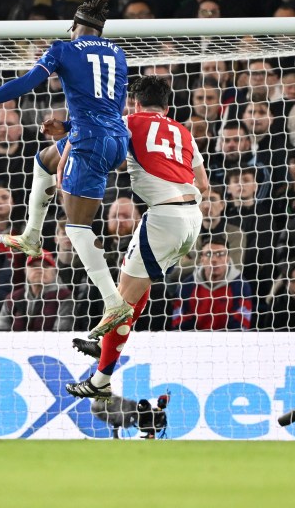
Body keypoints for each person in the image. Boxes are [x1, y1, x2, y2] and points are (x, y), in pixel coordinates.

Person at [0, 0, 133, 339]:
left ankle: (114, 302)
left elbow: (25, 83)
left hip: (89, 143)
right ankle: (32, 236)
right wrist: (66, 128)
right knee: (44, 160)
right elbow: (109, 109)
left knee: (77, 230)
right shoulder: (118, 54)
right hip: (114, 140)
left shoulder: (63, 49)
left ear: (74, 27)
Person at [64, 75, 207, 398]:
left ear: (135, 103)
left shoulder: (128, 122)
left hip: (163, 217)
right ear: (167, 107)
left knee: (120, 302)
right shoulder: (183, 131)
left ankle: (99, 379)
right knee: (132, 292)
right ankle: (101, 346)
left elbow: (102, 147)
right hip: (192, 218)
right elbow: (204, 184)